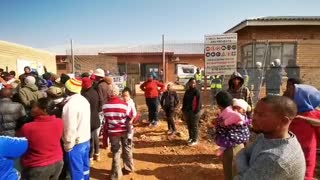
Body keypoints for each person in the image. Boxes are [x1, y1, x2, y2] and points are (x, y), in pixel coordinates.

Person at [234, 96, 306, 180]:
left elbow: (242, 155)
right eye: (255, 113)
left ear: (284, 121)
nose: (254, 118)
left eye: (261, 115)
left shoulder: (276, 158)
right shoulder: (265, 136)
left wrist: (239, 158)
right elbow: (245, 153)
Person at [19, 98, 64, 180]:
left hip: (38, 166)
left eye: (35, 107)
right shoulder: (59, 122)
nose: (32, 109)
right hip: (58, 162)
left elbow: (20, 145)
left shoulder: (28, 127)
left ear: (44, 110)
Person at [285, 84, 320, 179]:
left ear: (302, 98)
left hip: (306, 155)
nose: (285, 93)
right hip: (287, 153)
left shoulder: (314, 115)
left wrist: (305, 119)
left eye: (290, 93)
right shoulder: (289, 113)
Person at [102, 84, 134, 180]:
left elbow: (106, 121)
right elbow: (130, 117)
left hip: (113, 132)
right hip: (124, 130)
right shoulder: (125, 105)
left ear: (108, 93)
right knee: (127, 148)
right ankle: (129, 168)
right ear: (118, 93)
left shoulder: (105, 106)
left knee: (116, 151)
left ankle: (116, 174)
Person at [62, 78, 91, 180]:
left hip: (76, 144)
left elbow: (69, 128)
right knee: (85, 167)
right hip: (86, 140)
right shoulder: (84, 100)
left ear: (68, 89)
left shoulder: (70, 105)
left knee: (76, 171)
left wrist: (68, 145)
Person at [81, 77, 101, 163]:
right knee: (95, 136)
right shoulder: (94, 92)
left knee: (90, 138)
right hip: (95, 117)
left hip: (89, 119)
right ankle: (97, 154)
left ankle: (90, 156)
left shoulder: (85, 95)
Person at [182, 78, 202, 146]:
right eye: (191, 82)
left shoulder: (197, 91)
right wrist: (183, 109)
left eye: (194, 82)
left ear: (195, 84)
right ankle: (190, 137)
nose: (192, 84)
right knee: (189, 125)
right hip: (187, 111)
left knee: (194, 125)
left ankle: (195, 139)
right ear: (189, 83)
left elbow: (199, 102)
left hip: (194, 112)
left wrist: (196, 111)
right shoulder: (187, 91)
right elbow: (184, 101)